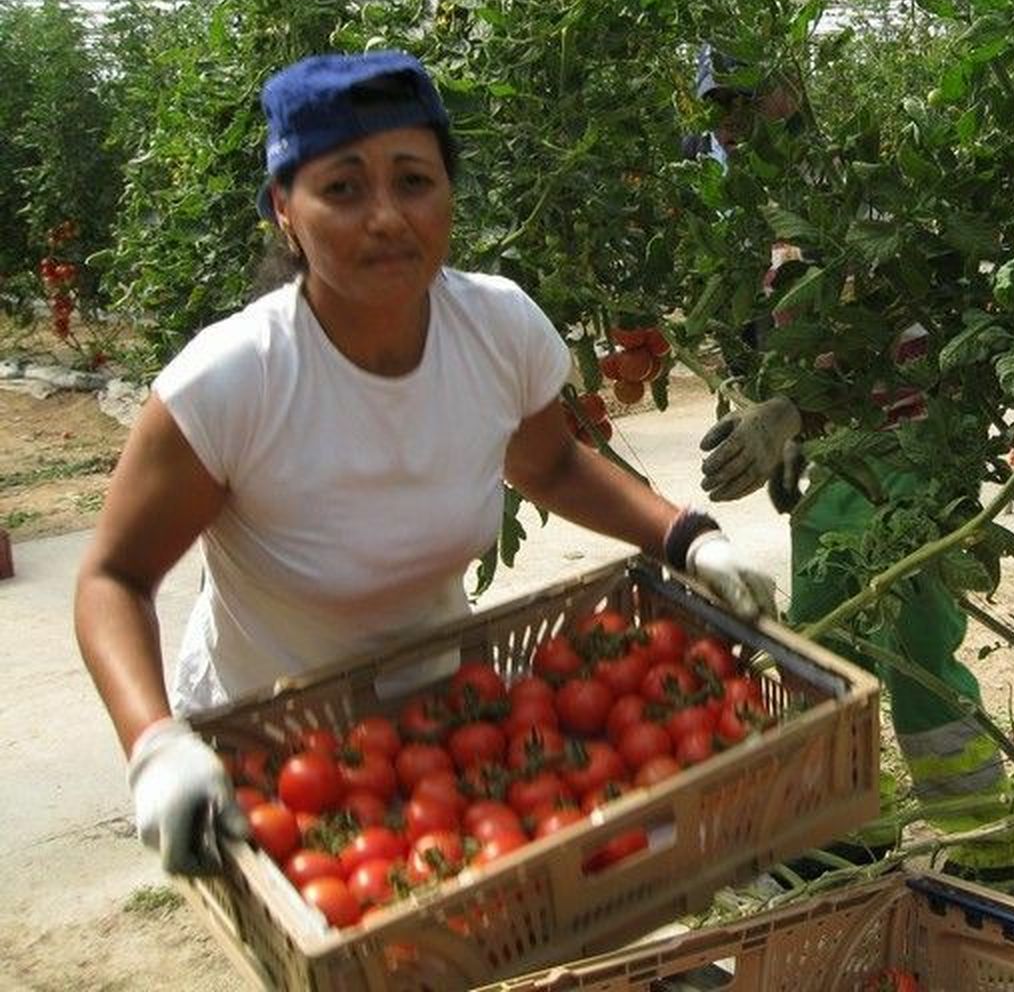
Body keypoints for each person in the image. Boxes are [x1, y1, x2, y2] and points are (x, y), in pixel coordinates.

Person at [74, 50, 776, 877]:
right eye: (342, 188)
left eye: (413, 181)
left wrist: (687, 538)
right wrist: (155, 745)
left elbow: (551, 466)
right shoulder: (233, 381)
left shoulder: (497, 328)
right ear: (284, 211)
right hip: (279, 754)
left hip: (446, 720)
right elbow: (112, 579)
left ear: (449, 194)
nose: (386, 217)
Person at [686, 45, 1014, 883]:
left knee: (915, 648)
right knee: (822, 644)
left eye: (745, 101)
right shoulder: (750, 209)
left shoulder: (855, 185)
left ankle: (998, 849)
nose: (732, 125)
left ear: (790, 88)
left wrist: (790, 413)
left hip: (913, 442)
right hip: (842, 456)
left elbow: (881, 323)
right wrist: (781, 420)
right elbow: (781, 335)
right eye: (718, 110)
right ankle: (843, 832)